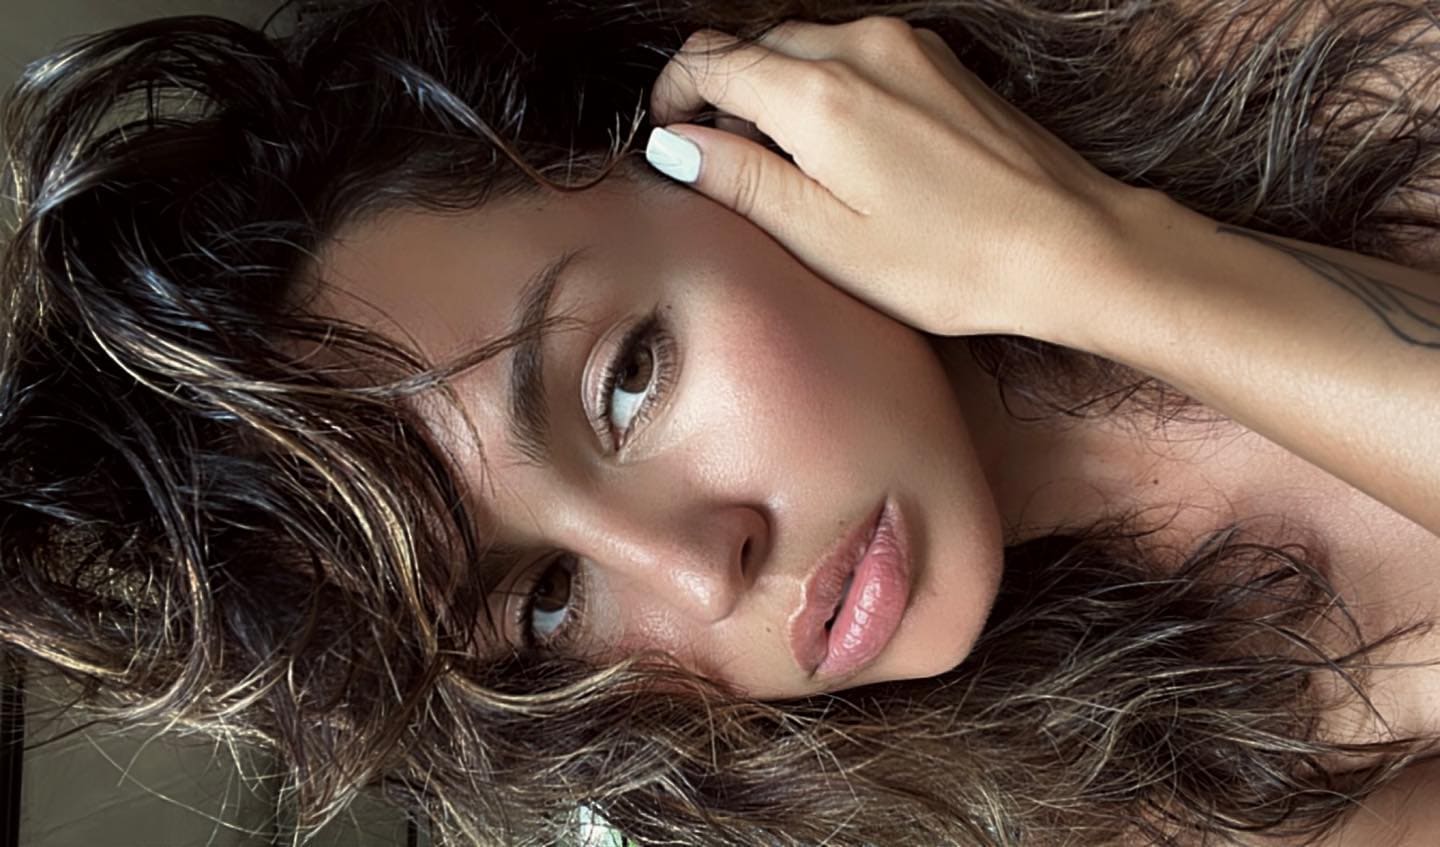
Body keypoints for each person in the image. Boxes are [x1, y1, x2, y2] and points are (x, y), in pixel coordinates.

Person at [2, 0, 1438, 843]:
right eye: (548, 603)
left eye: (625, 381)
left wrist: (1089, 255)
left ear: (719, 146)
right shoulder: (1047, 808)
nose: (701, 571)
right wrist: (1096, 266)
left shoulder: (1291, 63)